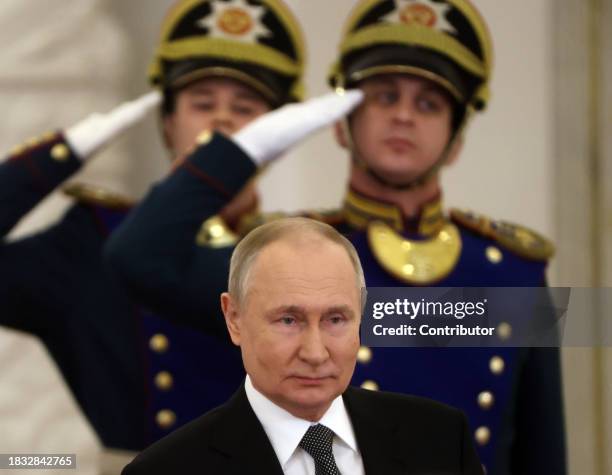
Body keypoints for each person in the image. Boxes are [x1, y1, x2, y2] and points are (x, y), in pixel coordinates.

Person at [107, 1, 565, 473]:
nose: (404, 116)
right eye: (384, 97)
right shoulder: (286, 260)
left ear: (458, 138)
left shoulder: (513, 272)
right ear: (343, 125)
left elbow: (542, 451)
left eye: (429, 103)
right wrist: (246, 148)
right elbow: (140, 255)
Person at [0, 0, 307, 468]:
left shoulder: (306, 252)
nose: (221, 121)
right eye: (201, 104)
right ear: (167, 121)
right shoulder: (94, 239)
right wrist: (65, 152)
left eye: (245, 108)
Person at [122, 217, 484, 475]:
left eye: (336, 320)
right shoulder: (167, 470)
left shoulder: (441, 438)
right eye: (289, 321)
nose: (315, 353)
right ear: (234, 318)